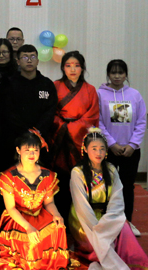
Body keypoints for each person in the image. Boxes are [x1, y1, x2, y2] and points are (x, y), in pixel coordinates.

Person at [68, 128, 148, 270]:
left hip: (107, 216)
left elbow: (117, 200)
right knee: (96, 242)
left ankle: (131, 260)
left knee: (124, 227)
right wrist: (98, 228)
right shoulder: (78, 172)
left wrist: (109, 222)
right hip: (84, 219)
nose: (98, 153)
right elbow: (81, 206)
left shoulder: (111, 169)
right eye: (94, 148)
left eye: (102, 149)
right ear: (85, 149)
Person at [0, 130, 77, 270]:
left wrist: (57, 214)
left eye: (35, 150)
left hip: (40, 214)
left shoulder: (47, 175)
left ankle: (49, 263)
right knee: (30, 241)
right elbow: (11, 208)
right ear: (18, 150)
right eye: (27, 150)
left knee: (58, 226)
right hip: (18, 218)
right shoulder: (9, 176)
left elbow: (49, 202)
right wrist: (28, 227)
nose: (32, 154)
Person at [98, 59, 147, 234]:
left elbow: (141, 121)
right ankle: (107, 223)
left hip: (130, 151)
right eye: (113, 72)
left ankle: (127, 223)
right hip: (108, 150)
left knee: (127, 186)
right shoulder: (100, 94)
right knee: (107, 187)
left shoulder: (135, 95)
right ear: (108, 74)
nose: (117, 76)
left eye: (121, 72)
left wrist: (132, 145)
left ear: (126, 75)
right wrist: (111, 144)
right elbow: (99, 121)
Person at [0, 44, 57, 173]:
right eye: (25, 57)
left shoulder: (47, 84)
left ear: (38, 61)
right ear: (18, 61)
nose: (29, 60)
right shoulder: (8, 83)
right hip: (14, 139)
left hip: (40, 139)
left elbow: (50, 111)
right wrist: (25, 132)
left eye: (33, 57)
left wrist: (37, 132)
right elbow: (8, 111)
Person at [50, 51, 99, 219]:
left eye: (77, 66)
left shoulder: (90, 90)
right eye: (68, 65)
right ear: (63, 68)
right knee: (60, 182)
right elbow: (50, 112)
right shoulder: (55, 86)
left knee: (80, 182)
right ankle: (60, 220)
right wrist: (62, 126)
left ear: (82, 68)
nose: (72, 69)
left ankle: (80, 220)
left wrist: (70, 128)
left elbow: (92, 116)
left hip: (79, 140)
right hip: (58, 139)